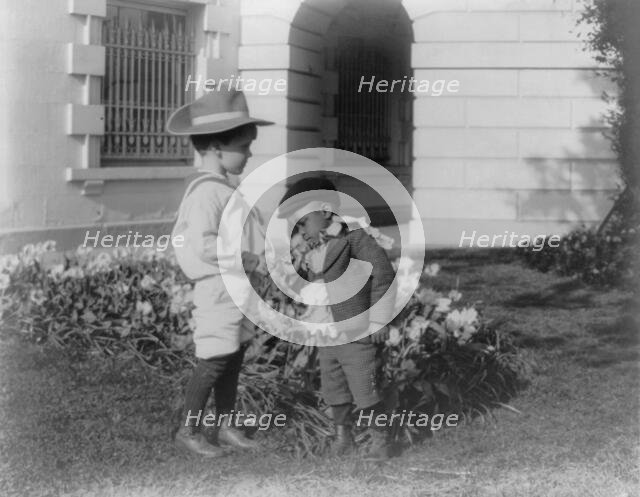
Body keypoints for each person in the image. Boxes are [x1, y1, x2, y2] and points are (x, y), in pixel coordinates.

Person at [167, 88, 273, 457]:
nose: (248, 153)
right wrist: (246, 258)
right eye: (243, 146)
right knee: (213, 358)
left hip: (236, 288)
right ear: (214, 146)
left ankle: (225, 425)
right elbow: (203, 245)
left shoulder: (222, 188)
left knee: (233, 354)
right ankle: (189, 429)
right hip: (217, 289)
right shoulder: (205, 194)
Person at [277, 177, 397, 460]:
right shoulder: (308, 248)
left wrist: (379, 320)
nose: (300, 228)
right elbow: (305, 281)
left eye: (303, 220)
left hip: (354, 325)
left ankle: (381, 439)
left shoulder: (354, 238)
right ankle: (344, 436)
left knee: (364, 384)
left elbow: (383, 277)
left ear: (325, 211)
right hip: (325, 328)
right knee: (333, 385)